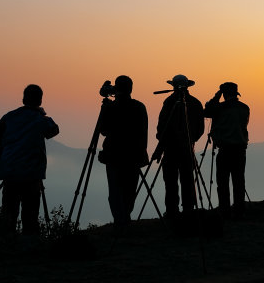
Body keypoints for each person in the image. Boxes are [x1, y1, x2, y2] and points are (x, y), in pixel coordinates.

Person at [0, 84, 59, 235]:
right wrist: (43, 115)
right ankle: (29, 246)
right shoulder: (40, 119)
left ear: (23, 98)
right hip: (32, 174)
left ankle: (7, 244)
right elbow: (54, 130)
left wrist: (10, 144)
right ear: (40, 100)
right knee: (30, 213)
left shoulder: (9, 116)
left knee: (9, 212)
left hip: (10, 171)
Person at [98, 75, 148, 226]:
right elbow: (143, 132)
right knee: (129, 190)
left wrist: (105, 109)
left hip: (113, 156)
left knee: (115, 191)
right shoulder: (139, 107)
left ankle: (120, 220)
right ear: (131, 88)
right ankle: (125, 217)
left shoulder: (111, 108)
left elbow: (104, 130)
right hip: (134, 156)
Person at [154, 75, 204, 214]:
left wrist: (162, 143)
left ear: (173, 86)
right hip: (188, 149)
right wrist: (190, 139)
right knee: (188, 180)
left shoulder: (170, 101)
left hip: (170, 149)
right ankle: (188, 209)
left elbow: (162, 126)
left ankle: (172, 211)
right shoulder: (195, 102)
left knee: (170, 182)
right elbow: (200, 129)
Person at [204, 82, 250, 218]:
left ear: (224, 94)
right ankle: (239, 209)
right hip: (241, 149)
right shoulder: (245, 108)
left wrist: (216, 96)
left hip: (225, 149)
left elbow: (206, 112)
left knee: (223, 181)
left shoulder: (221, 108)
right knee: (239, 180)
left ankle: (225, 210)